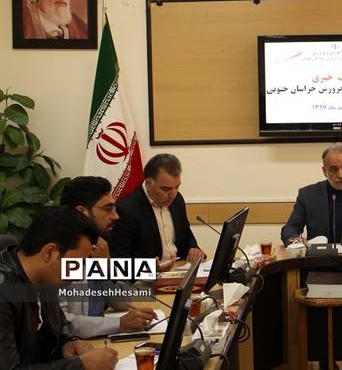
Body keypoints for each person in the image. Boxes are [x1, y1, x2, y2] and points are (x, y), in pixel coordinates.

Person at [0, 206, 118, 369]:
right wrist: (81, 364)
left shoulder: (43, 280)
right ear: (50, 252)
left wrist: (68, 342)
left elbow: (55, 329)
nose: (79, 276)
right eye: (76, 264)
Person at [60, 176, 157, 338]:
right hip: (74, 347)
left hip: (96, 340)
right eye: (107, 209)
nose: (116, 216)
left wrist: (107, 265)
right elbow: (61, 323)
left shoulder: (99, 246)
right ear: (81, 212)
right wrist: (119, 324)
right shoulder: (59, 254)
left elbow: (123, 302)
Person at [109, 154, 205, 271]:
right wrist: (150, 269)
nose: (173, 194)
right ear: (148, 183)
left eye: (177, 187)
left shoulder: (177, 200)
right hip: (147, 278)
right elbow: (119, 261)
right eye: (166, 189)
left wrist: (193, 248)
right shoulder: (127, 209)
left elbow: (186, 234)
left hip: (178, 268)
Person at [281, 145, 342, 246]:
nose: (340, 175)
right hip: (321, 254)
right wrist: (297, 242)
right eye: (334, 169)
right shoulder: (308, 195)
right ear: (324, 171)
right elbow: (290, 229)